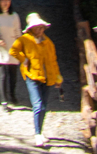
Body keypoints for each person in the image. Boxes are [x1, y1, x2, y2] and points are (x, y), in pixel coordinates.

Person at [9, 11, 63, 145]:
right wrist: (24, 59)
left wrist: (58, 78)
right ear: (31, 28)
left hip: (47, 78)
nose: (40, 29)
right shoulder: (24, 40)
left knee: (43, 106)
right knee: (37, 105)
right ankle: (37, 134)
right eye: (37, 27)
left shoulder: (49, 43)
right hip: (32, 76)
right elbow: (13, 50)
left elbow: (53, 61)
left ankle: (40, 131)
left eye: (41, 27)